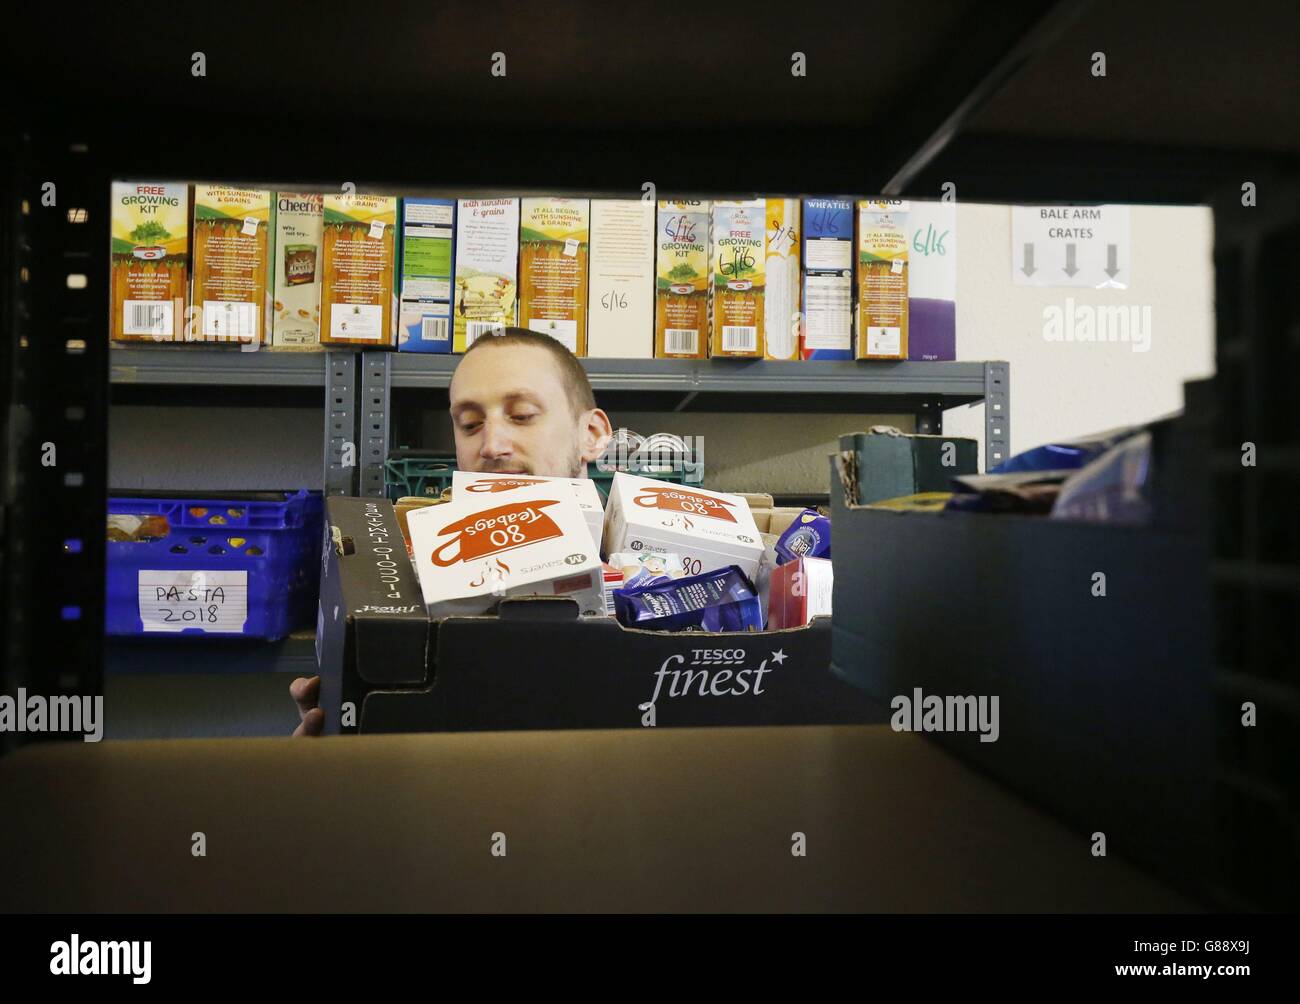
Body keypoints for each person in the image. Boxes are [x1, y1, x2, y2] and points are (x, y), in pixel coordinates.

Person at [289, 328, 614, 736]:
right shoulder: (408, 579)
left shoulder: (658, 578)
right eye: (470, 423)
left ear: (593, 435)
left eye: (523, 415)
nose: (492, 445)